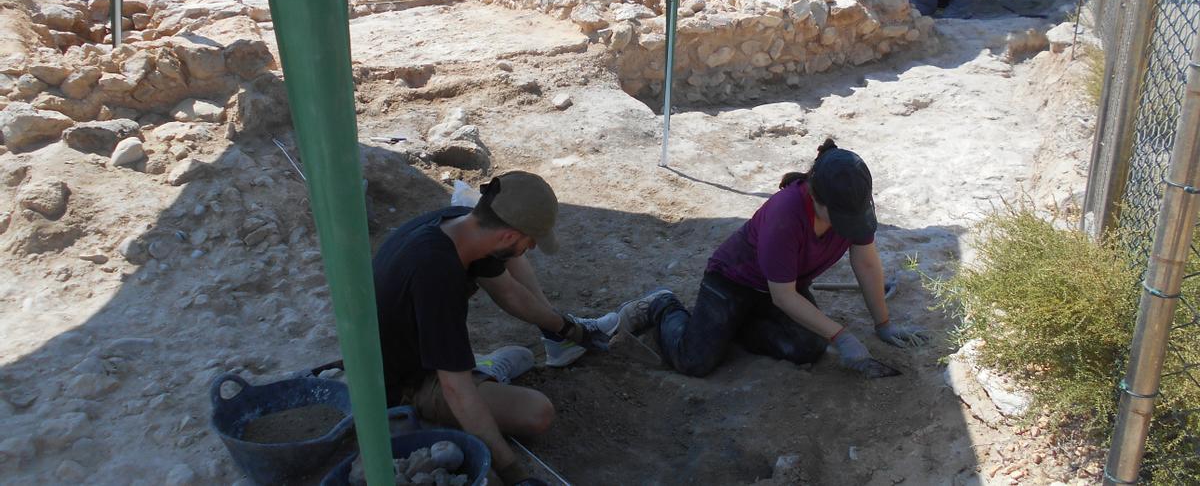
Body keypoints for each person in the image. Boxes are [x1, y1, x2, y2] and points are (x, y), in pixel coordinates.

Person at [369, 172, 616, 486]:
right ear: (509, 236)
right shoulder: (437, 274)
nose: (533, 248)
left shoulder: (460, 224)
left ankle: (548, 346)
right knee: (536, 413)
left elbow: (509, 293)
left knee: (511, 263)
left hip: (406, 342)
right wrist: (514, 473)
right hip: (401, 381)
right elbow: (455, 389)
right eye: (530, 242)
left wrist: (569, 329)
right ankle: (453, 397)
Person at [616, 139, 929, 379]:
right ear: (816, 197)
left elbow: (866, 261)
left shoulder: (853, 205)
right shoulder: (787, 213)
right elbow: (784, 297)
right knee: (695, 361)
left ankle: (734, 326)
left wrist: (884, 324)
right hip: (734, 282)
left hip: (784, 286)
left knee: (808, 347)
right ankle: (663, 306)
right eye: (840, 218)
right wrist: (842, 335)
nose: (846, 225)